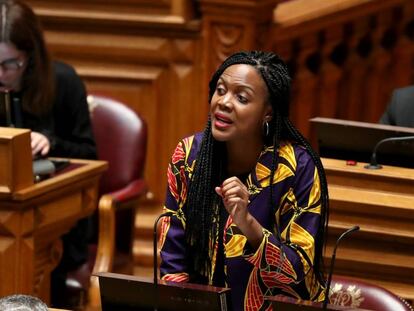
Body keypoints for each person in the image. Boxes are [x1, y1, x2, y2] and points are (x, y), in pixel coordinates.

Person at [159, 51, 329, 310]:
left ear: (268, 112)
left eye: (241, 97)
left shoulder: (298, 168)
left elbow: (300, 272)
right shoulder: (189, 156)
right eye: (220, 90)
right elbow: (172, 256)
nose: (224, 102)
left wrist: (248, 224)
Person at [0, 0, 96, 307]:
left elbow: (89, 154)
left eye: (9, 64)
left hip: (58, 223)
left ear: (30, 55)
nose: (1, 74)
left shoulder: (64, 82)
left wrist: (50, 143)